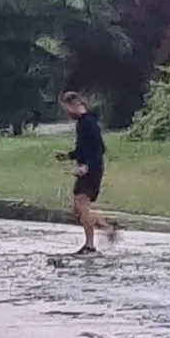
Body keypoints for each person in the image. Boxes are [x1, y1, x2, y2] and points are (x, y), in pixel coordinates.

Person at [55, 91, 117, 255]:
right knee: (78, 210)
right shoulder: (82, 123)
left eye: (66, 109)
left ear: (74, 104)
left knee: (83, 206)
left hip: (92, 170)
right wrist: (68, 156)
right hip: (87, 168)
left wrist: (87, 166)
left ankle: (90, 245)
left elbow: (98, 148)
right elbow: (84, 149)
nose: (67, 114)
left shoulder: (88, 123)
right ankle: (107, 229)